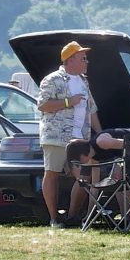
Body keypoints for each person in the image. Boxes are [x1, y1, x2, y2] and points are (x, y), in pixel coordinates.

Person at [36, 41, 100, 228]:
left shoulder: (84, 81)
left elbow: (92, 109)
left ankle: (72, 216)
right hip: (56, 136)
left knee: (84, 176)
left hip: (80, 137)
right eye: (83, 58)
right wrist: (67, 102)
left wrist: (101, 132)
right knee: (52, 174)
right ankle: (54, 218)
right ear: (70, 60)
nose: (86, 62)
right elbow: (43, 105)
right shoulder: (52, 79)